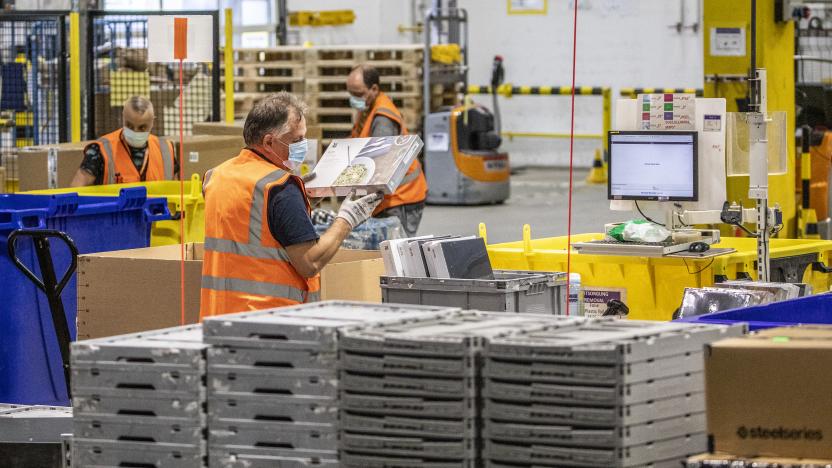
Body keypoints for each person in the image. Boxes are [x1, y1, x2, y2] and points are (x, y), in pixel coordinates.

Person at [200, 92, 382, 318]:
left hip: (218, 315)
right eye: (296, 140)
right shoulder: (281, 189)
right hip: (270, 322)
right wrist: (347, 219)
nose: (303, 146)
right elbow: (310, 262)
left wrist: (303, 200)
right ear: (268, 141)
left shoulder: (217, 176)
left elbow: (254, 225)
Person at [347, 64, 428, 236]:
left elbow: (378, 163)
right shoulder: (368, 106)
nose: (354, 98)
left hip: (402, 197)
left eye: (358, 94)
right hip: (390, 196)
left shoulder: (382, 118)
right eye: (351, 94)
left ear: (374, 88)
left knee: (397, 253)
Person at [70, 96, 177, 186]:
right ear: (123, 119)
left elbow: (176, 193)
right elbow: (76, 190)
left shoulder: (166, 150)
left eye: (142, 128)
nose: (135, 131)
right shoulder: (100, 151)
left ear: (152, 123)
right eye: (129, 126)